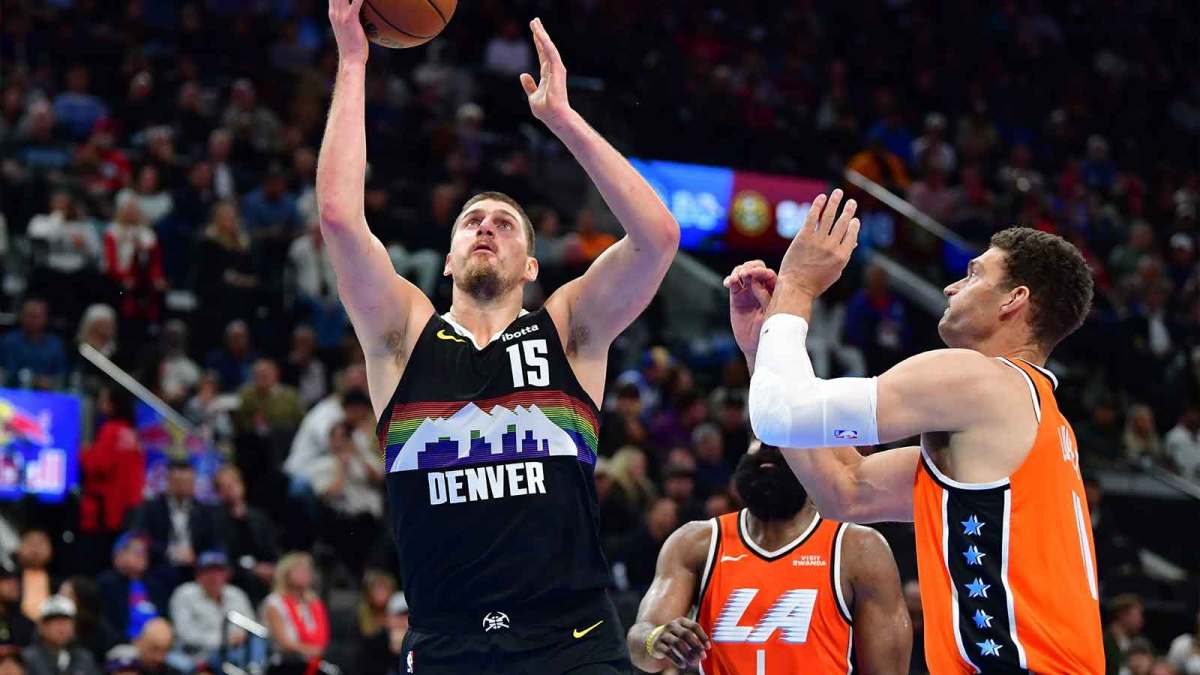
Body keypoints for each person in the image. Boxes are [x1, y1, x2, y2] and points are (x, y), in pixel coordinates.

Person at [319, 4, 679, 672]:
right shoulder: (402, 332)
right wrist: (353, 61)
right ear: (449, 259)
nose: (487, 226)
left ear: (532, 267)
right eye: (472, 220)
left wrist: (563, 119)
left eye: (507, 224)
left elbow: (657, 236)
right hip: (449, 643)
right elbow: (340, 219)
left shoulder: (571, 330)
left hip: (573, 641)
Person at [730, 189, 1103, 672]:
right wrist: (763, 352)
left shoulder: (982, 378)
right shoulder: (1030, 422)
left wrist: (798, 286)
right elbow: (846, 490)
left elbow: (780, 414)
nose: (951, 288)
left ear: (1014, 299)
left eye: (973, 274)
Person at [628, 440, 910, 673]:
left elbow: (888, 670)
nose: (769, 448)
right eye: (761, 442)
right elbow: (641, 647)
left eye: (783, 447)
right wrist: (656, 639)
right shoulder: (695, 542)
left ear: (811, 468)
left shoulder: (858, 548)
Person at [167, 552, 254, 668]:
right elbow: (185, 634)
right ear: (198, 575)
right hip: (195, 655)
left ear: (227, 574)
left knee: (254, 651)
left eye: (219, 571)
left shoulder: (236, 594)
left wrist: (240, 637)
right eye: (208, 571)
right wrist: (224, 641)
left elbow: (251, 626)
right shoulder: (184, 594)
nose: (214, 576)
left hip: (236, 652)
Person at [261, 553, 328, 675]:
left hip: (312, 662)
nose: (305, 574)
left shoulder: (314, 603)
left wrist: (316, 651)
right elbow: (283, 642)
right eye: (299, 570)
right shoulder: (274, 602)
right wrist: (310, 650)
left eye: (307, 570)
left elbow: (321, 637)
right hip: (283, 663)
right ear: (286, 574)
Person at [96, 533, 166, 642]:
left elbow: (164, 618)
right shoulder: (106, 584)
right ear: (118, 555)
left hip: (157, 645)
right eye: (136, 551)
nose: (143, 554)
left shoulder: (155, 585)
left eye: (144, 551)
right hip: (122, 645)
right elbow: (105, 624)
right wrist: (126, 641)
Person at [21, 596, 98, 675]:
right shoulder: (27, 659)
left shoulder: (84, 658)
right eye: (56, 623)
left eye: (66, 622)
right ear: (41, 627)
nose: (62, 629)